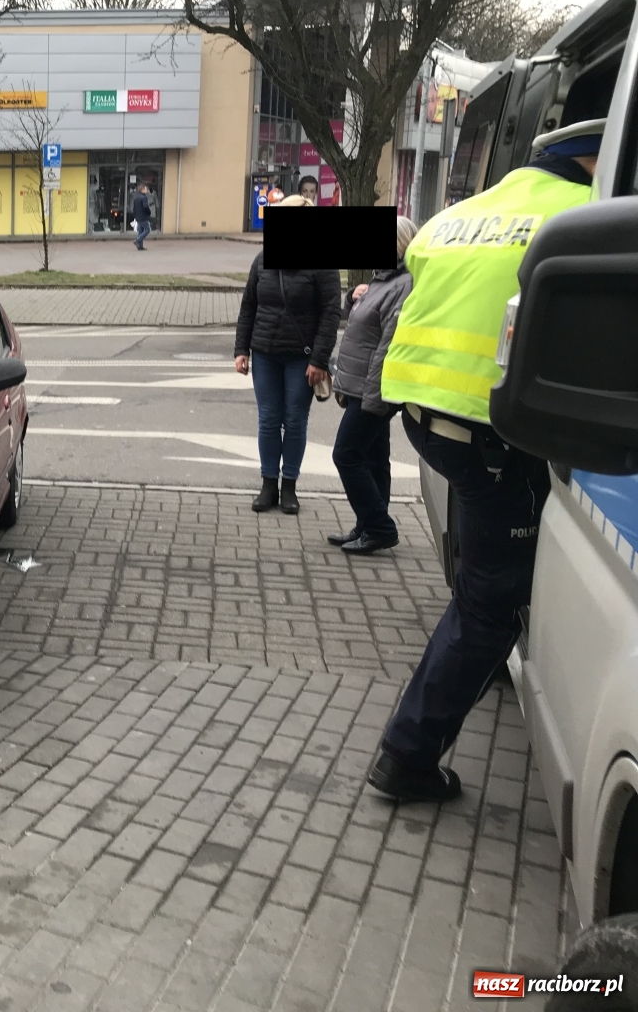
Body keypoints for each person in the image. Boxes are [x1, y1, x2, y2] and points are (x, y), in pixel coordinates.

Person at [367, 119, 603, 803]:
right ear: (593, 161)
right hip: (489, 431)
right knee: (490, 602)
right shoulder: (587, 211)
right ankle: (406, 758)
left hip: (423, 413)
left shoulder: (460, 215)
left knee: (485, 566)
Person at [234, 194, 340, 515]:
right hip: (264, 352)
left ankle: (289, 486)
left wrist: (319, 360)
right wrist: (241, 350)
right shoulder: (262, 259)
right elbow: (249, 306)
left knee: (294, 421)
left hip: (302, 358)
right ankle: (268, 484)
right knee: (268, 419)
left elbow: (331, 313)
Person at [327, 214, 420, 554]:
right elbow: (361, 318)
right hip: (361, 385)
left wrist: (374, 396)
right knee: (374, 459)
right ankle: (368, 524)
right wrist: (353, 296)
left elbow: (388, 345)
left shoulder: (403, 283)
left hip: (374, 387)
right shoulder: (384, 279)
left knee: (347, 454)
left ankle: (379, 526)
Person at [132, 184, 153, 250]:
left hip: (138, 217)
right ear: (142, 190)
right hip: (144, 216)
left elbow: (134, 208)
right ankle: (138, 240)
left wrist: (135, 216)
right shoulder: (144, 197)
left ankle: (140, 246)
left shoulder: (136, 198)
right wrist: (149, 212)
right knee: (147, 229)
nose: (147, 190)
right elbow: (145, 207)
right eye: (146, 189)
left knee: (140, 231)